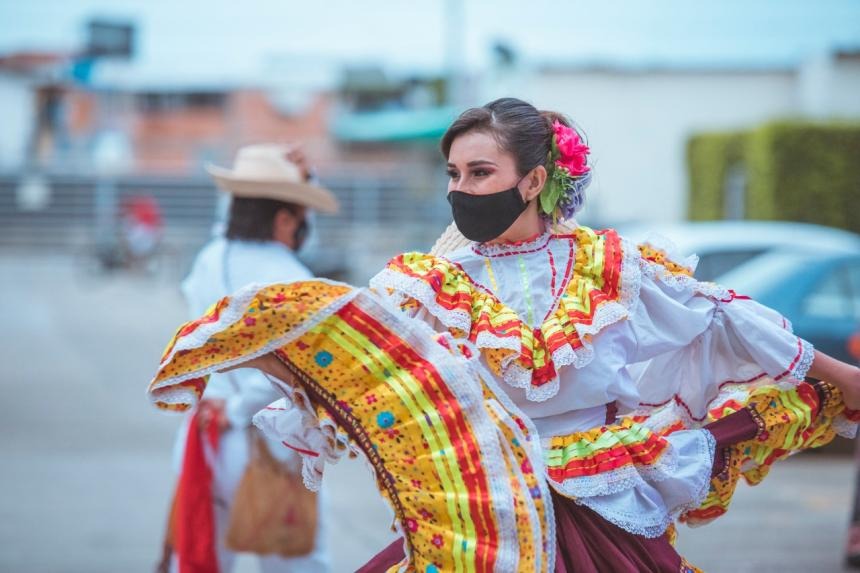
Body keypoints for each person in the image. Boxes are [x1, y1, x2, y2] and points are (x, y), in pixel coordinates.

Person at [148, 99, 860, 572]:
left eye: (480, 171)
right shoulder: (426, 280)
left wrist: (843, 376)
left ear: (534, 180)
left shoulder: (609, 264)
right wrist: (277, 356)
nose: (462, 187)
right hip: (477, 507)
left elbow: (722, 315)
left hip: (595, 498)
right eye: (454, 173)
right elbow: (366, 359)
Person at [162, 143, 338, 573]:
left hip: (201, 435)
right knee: (295, 559)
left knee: (205, 552)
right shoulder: (294, 280)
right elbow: (290, 370)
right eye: (301, 215)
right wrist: (239, 410)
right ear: (283, 219)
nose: (304, 227)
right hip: (265, 438)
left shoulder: (210, 258)